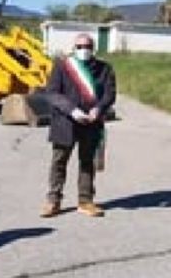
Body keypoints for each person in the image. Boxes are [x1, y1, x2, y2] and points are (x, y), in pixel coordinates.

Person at [41, 33, 116, 218]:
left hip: (91, 123)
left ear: (93, 48)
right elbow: (52, 93)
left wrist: (99, 109)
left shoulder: (104, 68)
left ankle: (85, 201)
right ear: (74, 48)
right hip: (65, 122)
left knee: (87, 163)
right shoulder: (62, 66)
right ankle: (53, 200)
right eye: (80, 46)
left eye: (88, 46)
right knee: (59, 162)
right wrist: (72, 110)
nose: (84, 50)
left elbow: (109, 93)